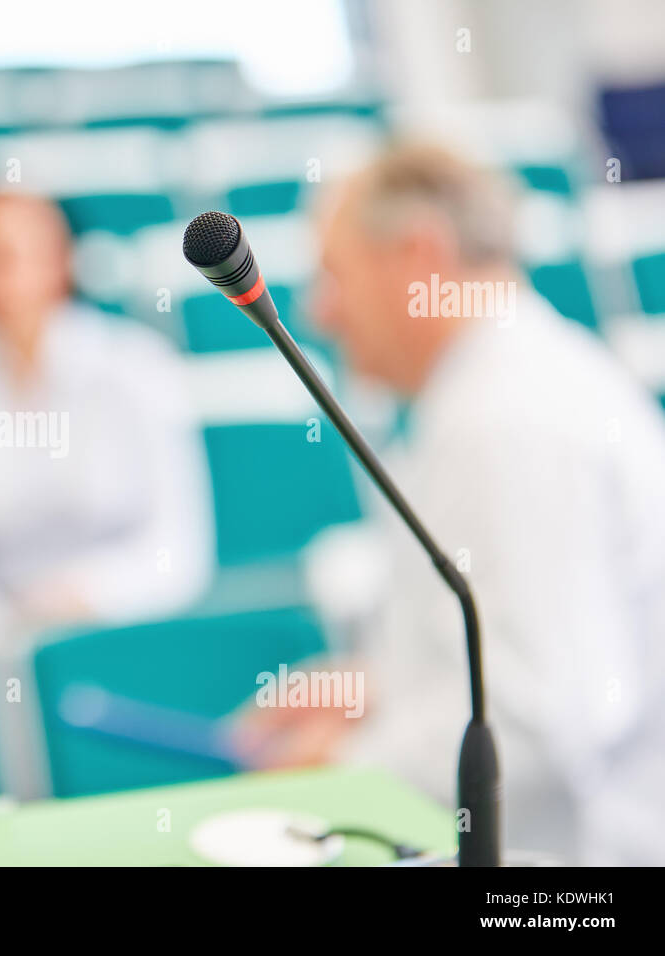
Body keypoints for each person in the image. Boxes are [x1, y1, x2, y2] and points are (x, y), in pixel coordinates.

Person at [232, 144, 665, 865]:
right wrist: (374, 687)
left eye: (334, 274)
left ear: (418, 254)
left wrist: (339, 774)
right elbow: (516, 645)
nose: (320, 310)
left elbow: (541, 717)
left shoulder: (509, 423)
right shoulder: (506, 388)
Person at [0, 192, 214, 649]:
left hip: (133, 631)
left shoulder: (137, 370)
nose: (9, 279)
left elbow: (178, 549)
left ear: (64, 261)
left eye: (26, 255)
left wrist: (86, 595)